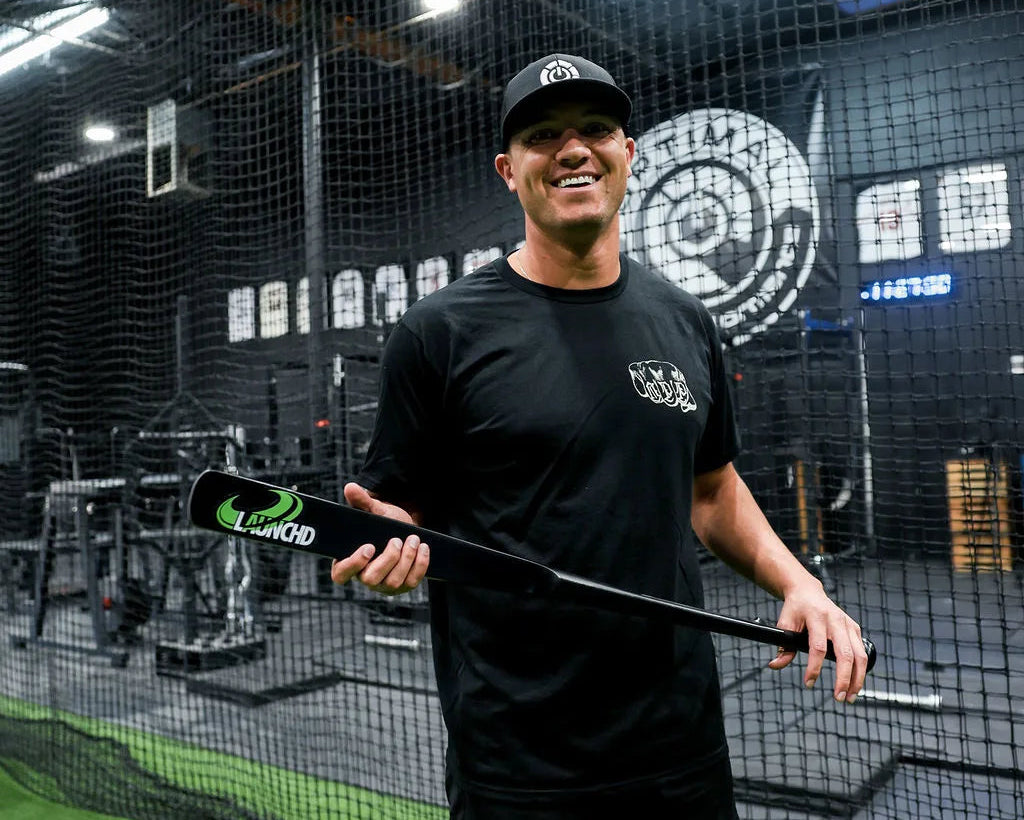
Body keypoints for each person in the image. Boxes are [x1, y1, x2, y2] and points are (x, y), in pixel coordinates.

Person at [331, 53, 869, 820]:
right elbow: (395, 507)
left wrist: (798, 584)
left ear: (628, 154)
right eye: (543, 135)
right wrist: (393, 537)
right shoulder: (438, 332)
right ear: (508, 171)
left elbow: (711, 489)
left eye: (596, 129)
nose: (573, 149)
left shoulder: (685, 319)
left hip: (680, 746)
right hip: (517, 759)